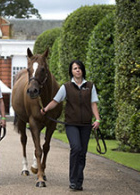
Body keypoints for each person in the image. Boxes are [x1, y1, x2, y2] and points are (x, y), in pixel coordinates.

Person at [40, 60, 101, 191]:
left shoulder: (90, 86)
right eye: (75, 68)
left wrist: (97, 119)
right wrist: (45, 109)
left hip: (85, 125)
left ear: (83, 70)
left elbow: (93, 104)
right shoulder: (66, 87)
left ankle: (79, 181)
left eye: (79, 68)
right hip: (71, 124)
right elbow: (55, 101)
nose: (77, 70)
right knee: (76, 148)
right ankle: (73, 181)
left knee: (82, 153)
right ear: (71, 71)